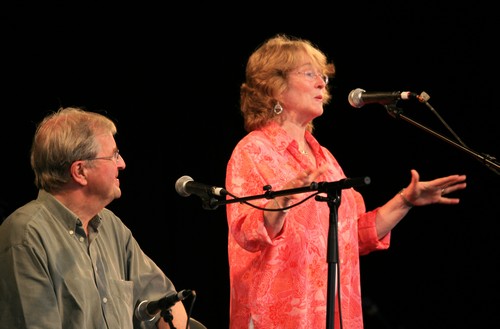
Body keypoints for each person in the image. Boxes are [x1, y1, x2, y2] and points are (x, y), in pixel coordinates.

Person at [225, 34, 467, 329]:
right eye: (309, 73)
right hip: (280, 317)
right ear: (275, 86)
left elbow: (351, 238)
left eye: (322, 76)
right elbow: (247, 233)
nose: (321, 83)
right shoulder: (253, 151)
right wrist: (279, 204)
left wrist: (404, 201)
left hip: (334, 316)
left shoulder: (326, 160)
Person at [0, 107, 189, 329]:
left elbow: (169, 303)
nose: (122, 164)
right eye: (113, 155)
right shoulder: (25, 236)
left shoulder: (111, 226)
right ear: (80, 172)